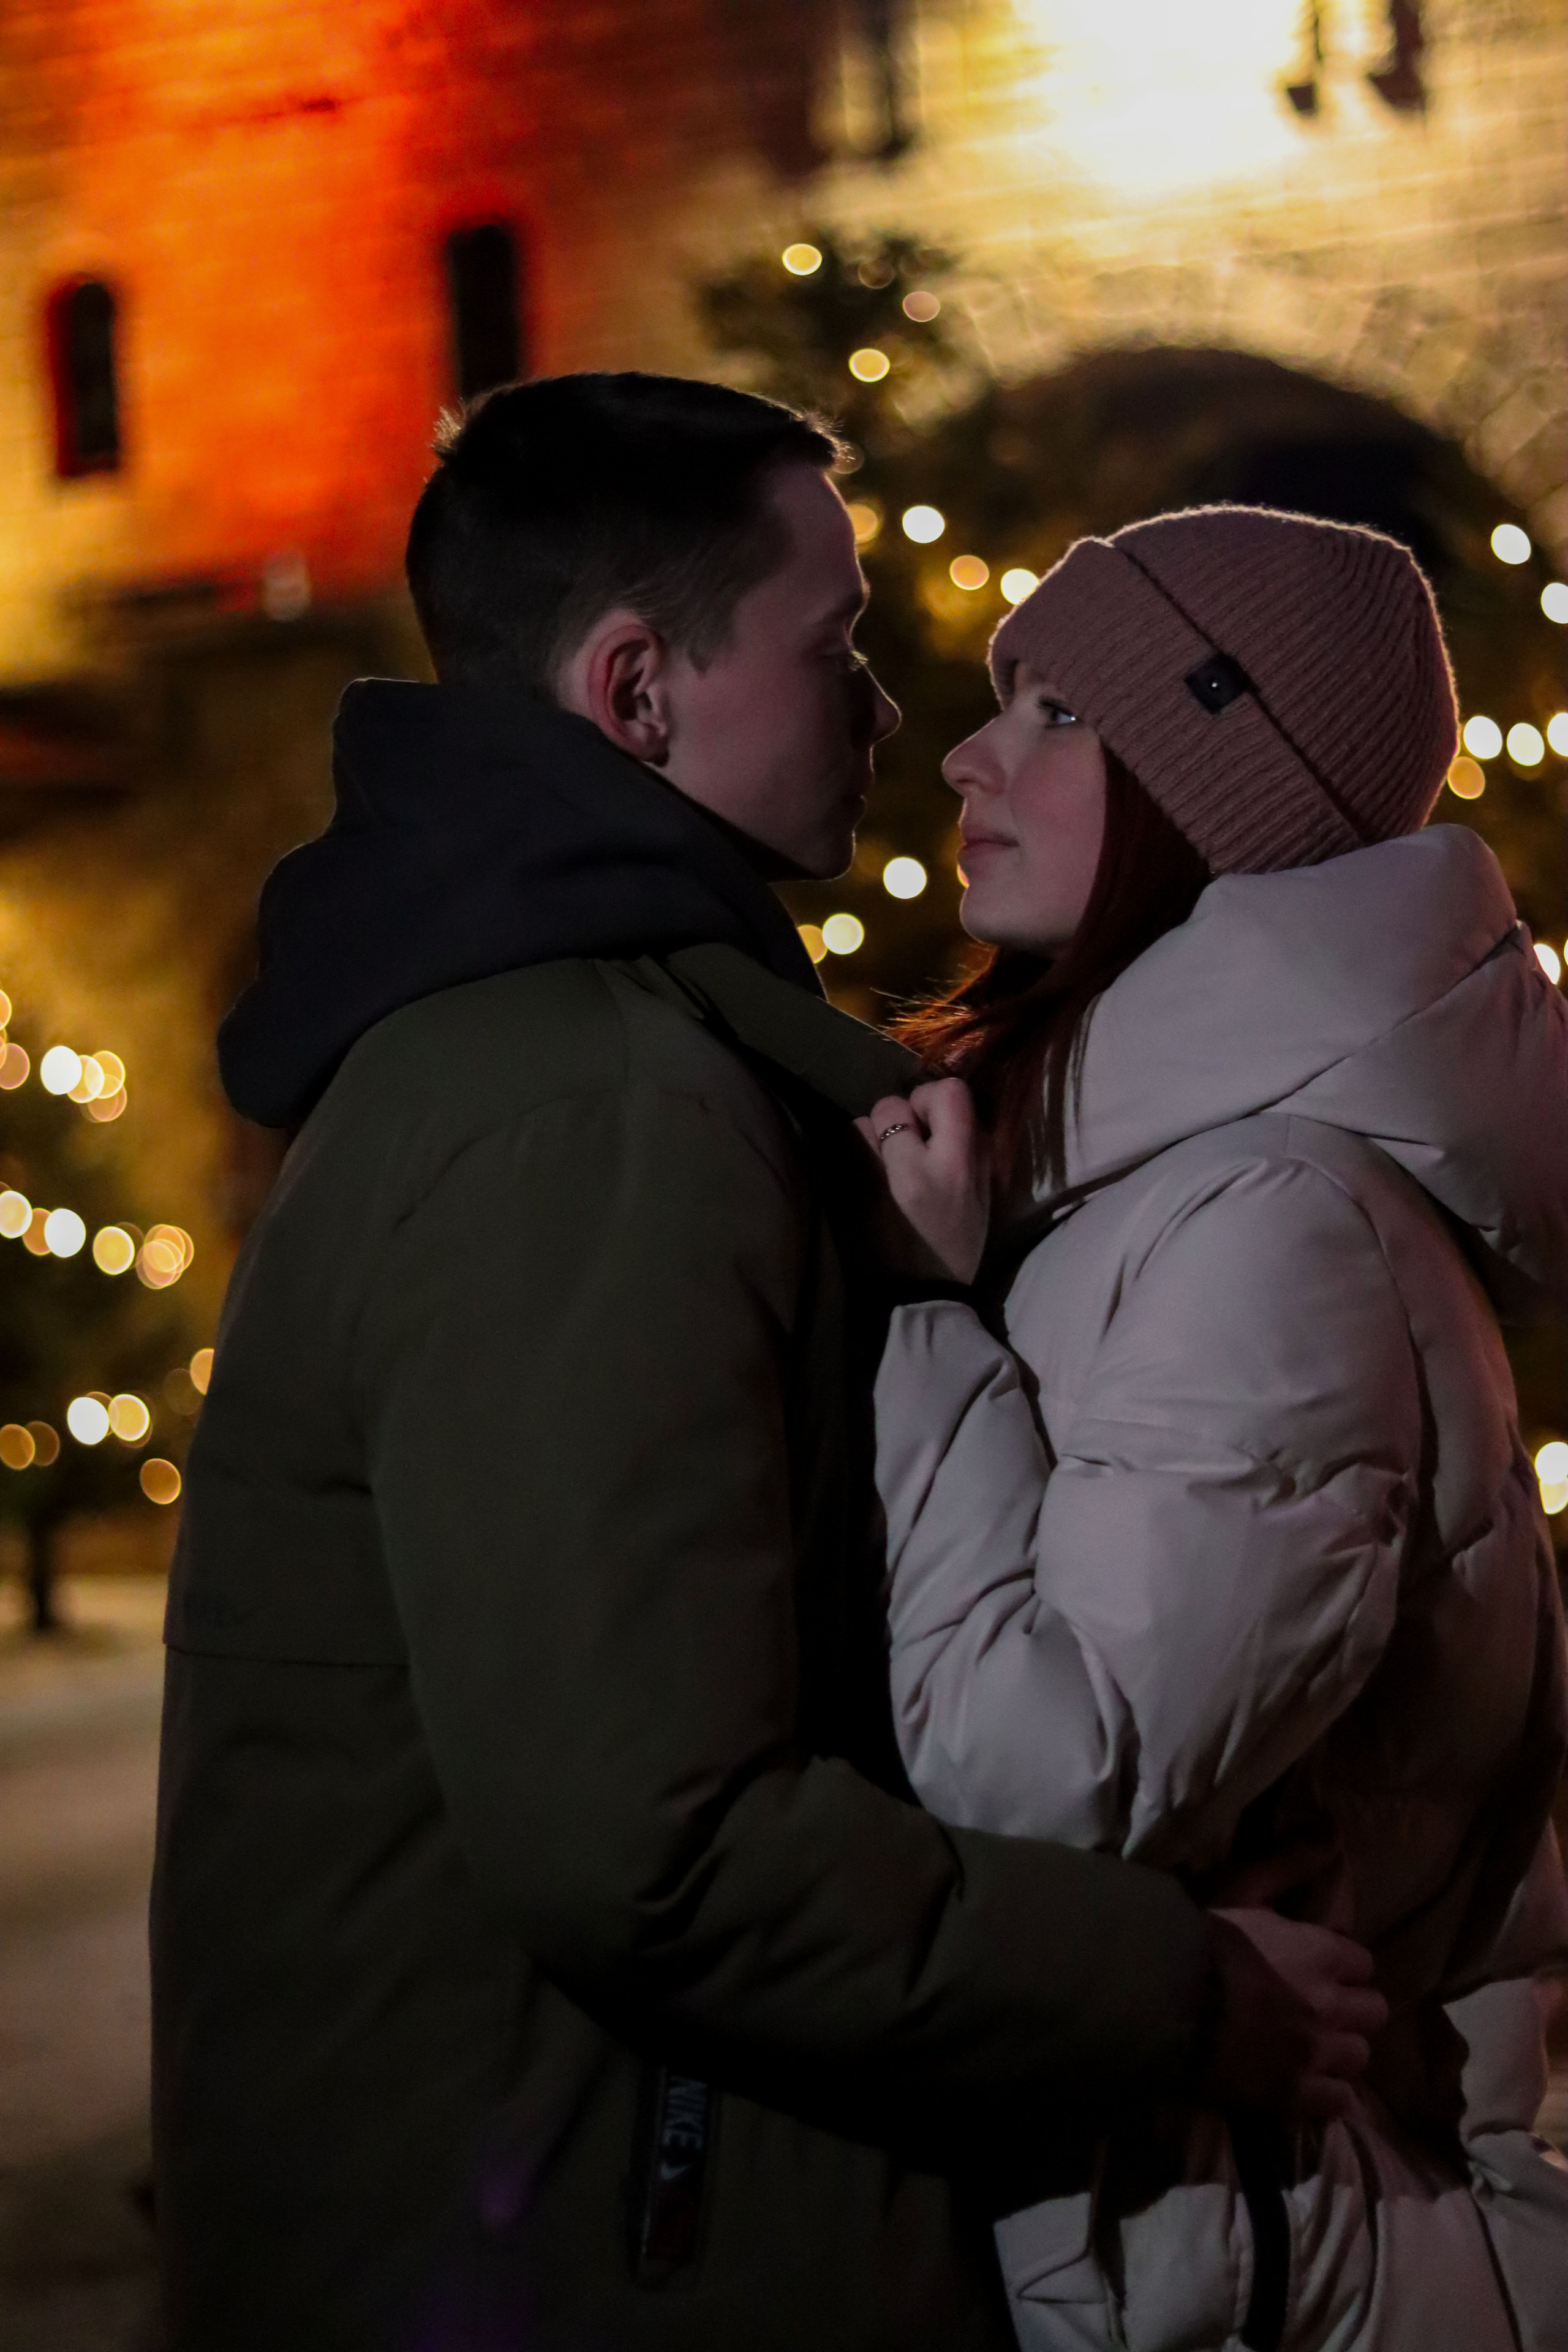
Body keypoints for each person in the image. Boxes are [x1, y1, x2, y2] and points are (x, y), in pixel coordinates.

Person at [151, 385, 1381, 2352]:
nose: (891, 710)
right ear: (638, 690)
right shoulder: (592, 1106)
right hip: (587, 2252)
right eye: (837, 644)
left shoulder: (589, 1049)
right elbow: (651, 1841)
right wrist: (1179, 1989)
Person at [861, 504, 1568, 2351]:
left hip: (1249, 2266)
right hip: (1174, 2238)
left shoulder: (1271, 1226)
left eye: (1061, 712)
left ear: (1215, 794)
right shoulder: (1124, 1169)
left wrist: (921, 1322)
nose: (970, 754)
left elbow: (1047, 1779)